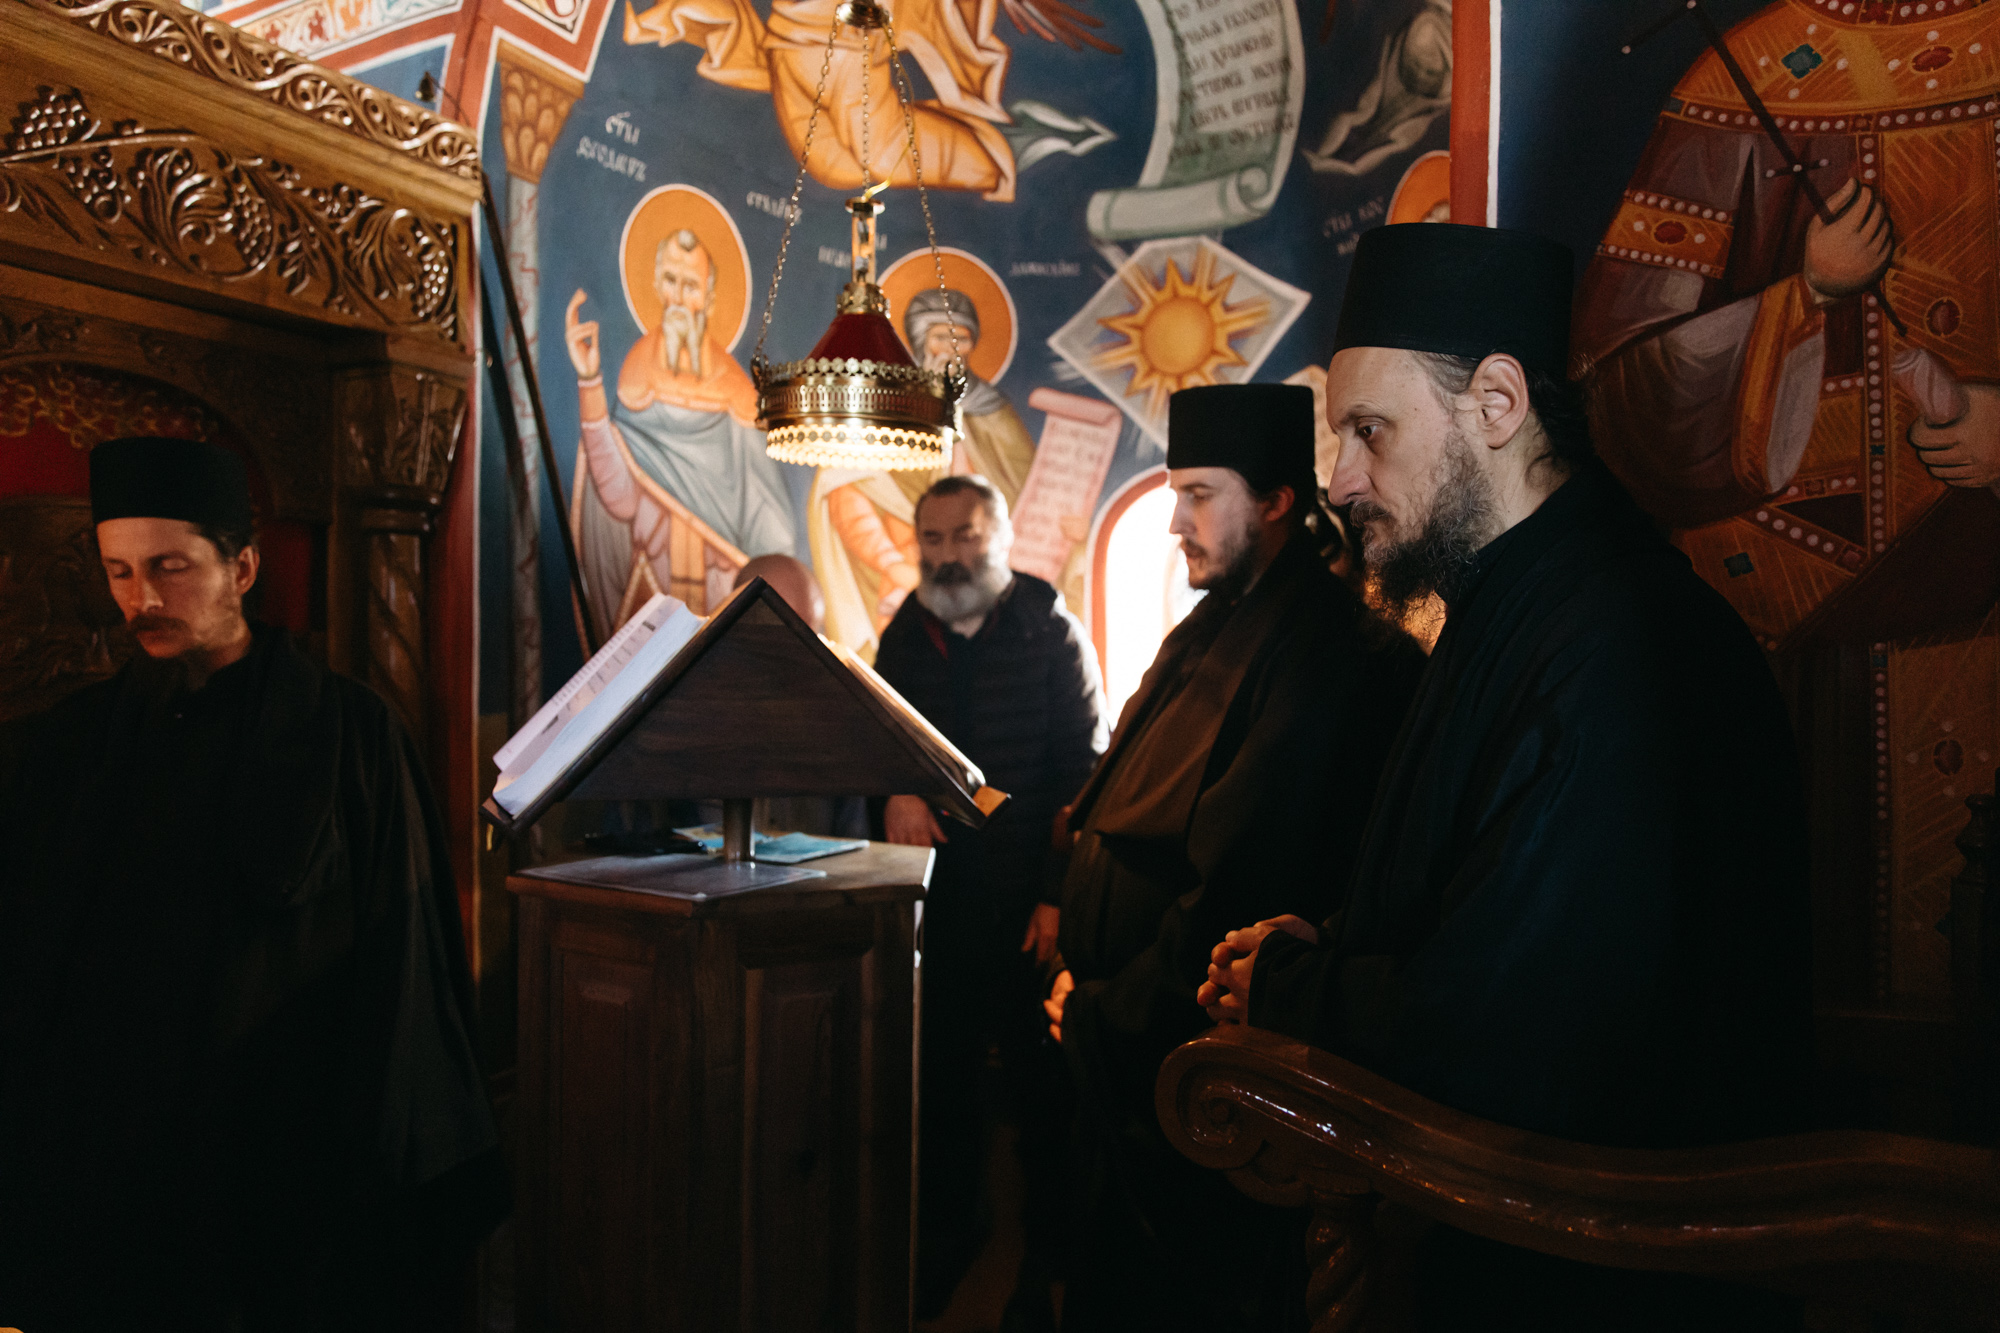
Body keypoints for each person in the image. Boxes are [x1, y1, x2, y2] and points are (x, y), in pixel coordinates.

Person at [1199, 224, 1813, 1329]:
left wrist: (1287, 989)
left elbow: (1515, 1030)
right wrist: (1325, 943)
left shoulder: (1614, 639)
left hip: (1591, 1279)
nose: (1338, 480)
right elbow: (1477, 899)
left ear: (1495, 403)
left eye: (1368, 431)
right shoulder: (1514, 608)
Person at [0, 437, 505, 1332]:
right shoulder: (68, 745)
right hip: (118, 1169)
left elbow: (403, 967)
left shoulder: (352, 736)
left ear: (242, 567)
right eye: (119, 571)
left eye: (170, 566)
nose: (142, 598)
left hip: (290, 1169)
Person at [1045, 383, 1426, 1333]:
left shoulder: (1324, 649)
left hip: (1182, 1074)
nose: (1176, 521)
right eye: (1174, 493)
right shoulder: (1213, 621)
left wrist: (1103, 1012)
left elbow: (1240, 886)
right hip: (1121, 1064)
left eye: (1199, 494)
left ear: (1277, 501)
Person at [872, 474, 1106, 1324]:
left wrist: (1054, 898)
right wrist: (895, 787)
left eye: (965, 535)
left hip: (1025, 899)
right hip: (940, 902)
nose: (948, 556)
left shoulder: (1051, 629)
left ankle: (1048, 1257)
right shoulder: (905, 633)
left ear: (1000, 537)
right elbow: (879, 738)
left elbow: (1083, 775)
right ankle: (950, 1236)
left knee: (1043, 1088)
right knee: (940, 1078)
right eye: (932, 539)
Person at [565, 228, 797, 630]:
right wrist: (589, 382)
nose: (678, 297)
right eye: (670, 281)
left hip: (723, 587)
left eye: (690, 286)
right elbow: (621, 495)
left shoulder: (734, 392)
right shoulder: (638, 376)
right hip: (652, 589)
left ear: (708, 298)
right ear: (656, 285)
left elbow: (768, 519)